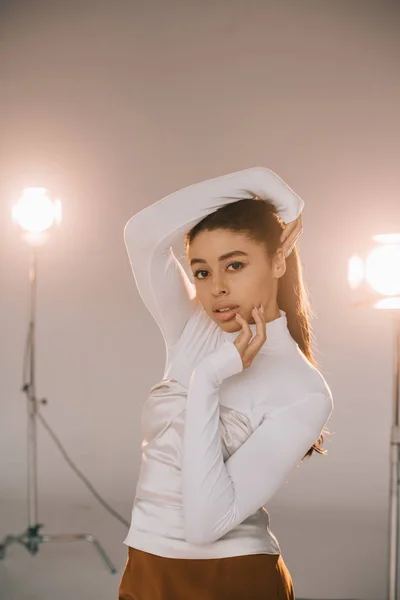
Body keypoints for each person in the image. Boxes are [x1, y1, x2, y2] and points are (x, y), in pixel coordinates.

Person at [118, 167, 333, 600]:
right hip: (145, 569)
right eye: (201, 272)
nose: (216, 288)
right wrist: (269, 186)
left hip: (234, 579)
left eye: (234, 265)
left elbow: (204, 526)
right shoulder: (191, 326)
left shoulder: (304, 391)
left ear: (278, 260)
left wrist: (208, 379)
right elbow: (140, 233)